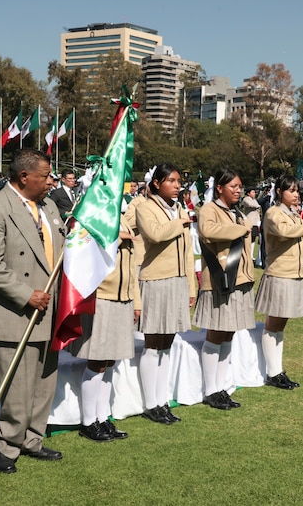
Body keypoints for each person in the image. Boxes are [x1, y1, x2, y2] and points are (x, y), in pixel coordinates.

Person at [0, 149, 66, 473]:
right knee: (17, 385)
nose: (51, 182)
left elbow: (60, 250)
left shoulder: (49, 207)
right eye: (46, 176)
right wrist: (26, 295)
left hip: (49, 310)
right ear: (24, 176)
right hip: (14, 311)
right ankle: (5, 444)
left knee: (44, 381)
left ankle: (32, 439)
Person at [69, 216, 140, 441]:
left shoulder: (123, 218)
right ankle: (89, 421)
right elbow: (87, 252)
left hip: (123, 296)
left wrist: (136, 301)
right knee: (98, 359)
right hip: (102, 296)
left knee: (111, 361)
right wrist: (117, 238)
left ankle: (103, 416)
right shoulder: (92, 216)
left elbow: (132, 266)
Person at [135, 164, 195, 424]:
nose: (177, 185)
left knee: (168, 342)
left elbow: (188, 250)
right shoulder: (145, 206)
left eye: (178, 181)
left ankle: (162, 400)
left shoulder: (178, 208)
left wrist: (191, 286)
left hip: (178, 281)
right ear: (157, 183)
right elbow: (155, 234)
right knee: (153, 341)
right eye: (171, 180)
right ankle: (151, 403)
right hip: (156, 279)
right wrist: (178, 222)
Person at [193, 168, 254, 409]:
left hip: (238, 277)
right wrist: (240, 229)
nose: (238, 190)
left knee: (229, 332)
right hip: (220, 279)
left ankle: (221, 387)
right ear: (219, 188)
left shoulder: (236, 211)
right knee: (217, 332)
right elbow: (208, 231)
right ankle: (211, 389)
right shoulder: (210, 209)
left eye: (240, 186)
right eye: (233, 187)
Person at [255, 174, 303, 388]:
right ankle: (273, 372)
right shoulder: (273, 212)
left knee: (281, 324)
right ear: (279, 192)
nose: (296, 195)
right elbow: (284, 232)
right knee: (274, 323)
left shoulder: (294, 214)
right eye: (291, 191)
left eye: (297, 191)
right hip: (279, 273)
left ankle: (277, 370)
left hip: (293, 273)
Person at [241, 187, 262, 263]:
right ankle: (246, 255)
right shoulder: (246, 199)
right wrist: (257, 206)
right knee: (248, 239)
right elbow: (250, 204)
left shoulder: (255, 200)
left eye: (254, 192)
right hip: (250, 222)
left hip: (256, 222)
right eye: (252, 192)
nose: (254, 194)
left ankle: (251, 255)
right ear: (248, 193)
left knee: (254, 239)